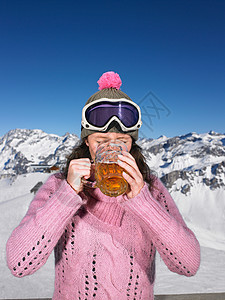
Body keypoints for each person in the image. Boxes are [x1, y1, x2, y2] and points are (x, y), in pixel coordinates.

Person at [6, 71, 200, 299]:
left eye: (122, 142)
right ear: (87, 141)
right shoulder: (59, 185)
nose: (112, 149)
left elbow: (188, 265)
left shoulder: (151, 188)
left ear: (132, 143)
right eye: (101, 141)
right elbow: (20, 264)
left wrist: (143, 201)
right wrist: (66, 196)